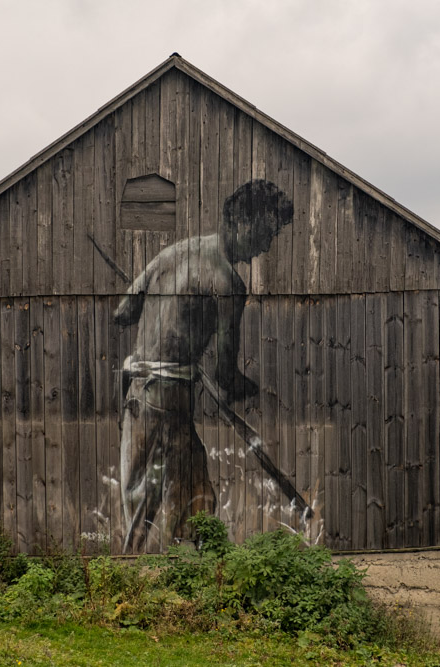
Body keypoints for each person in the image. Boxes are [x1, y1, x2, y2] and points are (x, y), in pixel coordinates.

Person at [114, 179, 294, 553]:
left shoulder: (170, 255)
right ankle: (169, 567)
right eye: (266, 232)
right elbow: (226, 374)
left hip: (135, 393)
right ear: (241, 221)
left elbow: (123, 313)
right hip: (167, 398)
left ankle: (178, 566)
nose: (266, 245)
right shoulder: (228, 283)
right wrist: (243, 386)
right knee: (174, 491)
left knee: (177, 484)